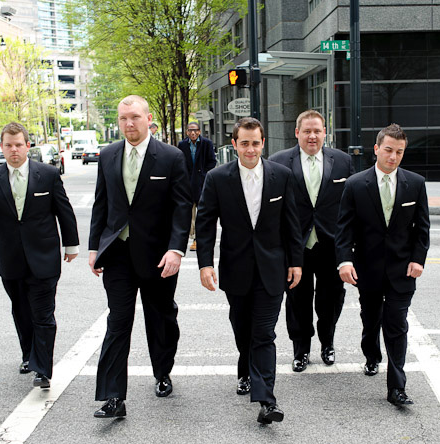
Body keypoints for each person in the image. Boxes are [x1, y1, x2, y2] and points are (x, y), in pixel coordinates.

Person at [89, 95, 192, 419]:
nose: (129, 123)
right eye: (123, 118)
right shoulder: (107, 155)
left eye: (134, 117)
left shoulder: (171, 157)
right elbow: (100, 205)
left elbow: (181, 208)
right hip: (118, 254)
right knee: (118, 322)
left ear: (149, 119)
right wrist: (94, 248)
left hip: (159, 256)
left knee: (161, 319)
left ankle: (163, 372)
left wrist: (176, 249)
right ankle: (113, 397)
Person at [195, 117, 302, 425]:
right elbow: (204, 225)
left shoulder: (281, 176)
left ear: (263, 143)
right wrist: (205, 264)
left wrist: (296, 262)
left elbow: (291, 223)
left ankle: (267, 400)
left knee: (264, 333)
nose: (251, 149)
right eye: (245, 143)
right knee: (243, 330)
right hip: (236, 267)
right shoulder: (217, 178)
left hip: (273, 267)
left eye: (256, 143)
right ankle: (245, 370)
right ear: (235, 144)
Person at [0, 122, 79, 389]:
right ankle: (29, 355)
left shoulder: (47, 174)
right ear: (1, 148)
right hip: (11, 258)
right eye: (8, 145)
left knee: (43, 313)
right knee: (21, 311)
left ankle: (42, 367)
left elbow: (64, 210)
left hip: (44, 256)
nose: (13, 150)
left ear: (28, 146)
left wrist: (71, 245)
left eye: (18, 145)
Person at [335, 123, 429, 406]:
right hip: (369, 268)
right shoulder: (355, 184)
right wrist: (344, 261)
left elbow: (421, 229)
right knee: (371, 318)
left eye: (399, 151)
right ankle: (371, 355)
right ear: (376, 149)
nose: (393, 156)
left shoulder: (415, 183)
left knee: (397, 324)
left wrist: (418, 259)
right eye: (388, 150)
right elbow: (344, 230)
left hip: (402, 270)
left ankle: (397, 388)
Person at [269, 110, 354, 372]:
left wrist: (350, 248)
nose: (312, 136)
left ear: (325, 132)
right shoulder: (279, 162)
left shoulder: (342, 162)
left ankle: (327, 342)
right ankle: (301, 349)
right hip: (296, 246)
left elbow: (350, 206)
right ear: (297, 133)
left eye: (317, 130)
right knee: (297, 300)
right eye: (307, 131)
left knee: (332, 299)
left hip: (331, 245)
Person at [178, 121, 216, 251]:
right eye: (190, 130)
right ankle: (192, 236)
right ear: (187, 132)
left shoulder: (206, 144)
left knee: (202, 213)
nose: (193, 133)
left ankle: (197, 240)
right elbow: (180, 162)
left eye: (195, 130)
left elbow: (212, 161)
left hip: (202, 182)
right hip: (188, 183)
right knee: (189, 213)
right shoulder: (182, 145)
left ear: (199, 131)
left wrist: (205, 175)